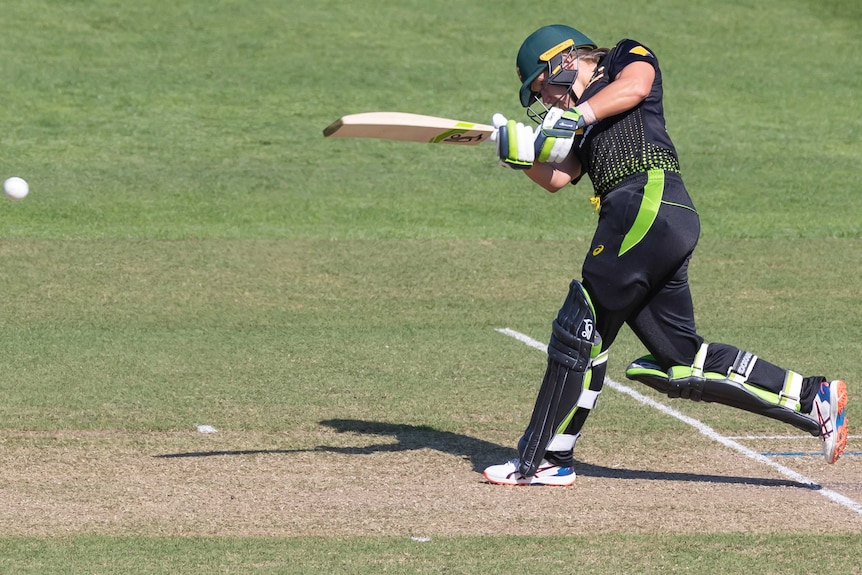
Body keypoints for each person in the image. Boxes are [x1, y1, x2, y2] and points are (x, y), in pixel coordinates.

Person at [482, 24, 849, 486]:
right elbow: (562, 176)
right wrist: (521, 158)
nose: (548, 102)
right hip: (652, 221)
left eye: (543, 88)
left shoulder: (622, 57)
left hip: (647, 200)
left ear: (564, 60)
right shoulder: (579, 115)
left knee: (581, 327)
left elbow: (636, 86)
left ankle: (538, 459)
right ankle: (812, 397)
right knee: (681, 360)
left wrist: (578, 117)